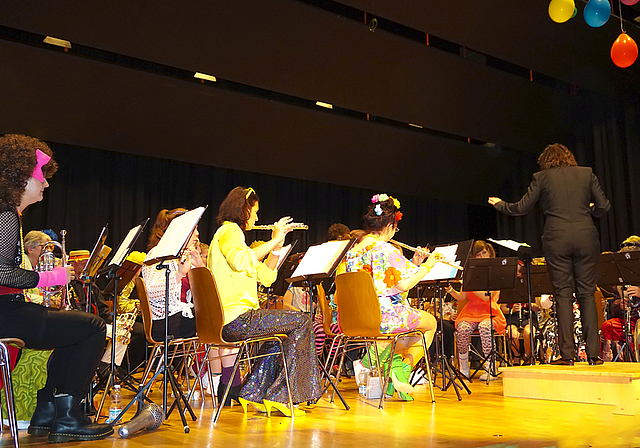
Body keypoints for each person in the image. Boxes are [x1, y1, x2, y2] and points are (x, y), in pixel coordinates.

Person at [0, 134, 112, 442]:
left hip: (7, 309)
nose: (46, 185)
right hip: (4, 313)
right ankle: (66, 416)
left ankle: (48, 412)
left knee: (72, 330)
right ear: (23, 177)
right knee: (92, 327)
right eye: (42, 178)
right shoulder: (6, 214)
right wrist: (53, 277)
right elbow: (3, 272)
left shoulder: (7, 214)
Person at [489, 143, 611, 365]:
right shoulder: (587, 173)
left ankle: (567, 355)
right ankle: (593, 354)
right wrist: (589, 210)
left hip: (557, 239)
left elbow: (522, 208)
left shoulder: (541, 177)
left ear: (546, 161)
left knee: (563, 294)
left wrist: (500, 205)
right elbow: (604, 206)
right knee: (586, 294)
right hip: (586, 237)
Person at [208, 186, 321, 417]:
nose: (257, 217)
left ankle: (253, 393)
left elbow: (267, 278)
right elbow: (240, 261)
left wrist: (276, 248)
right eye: (255, 211)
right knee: (302, 322)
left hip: (235, 319)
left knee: (282, 333)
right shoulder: (230, 231)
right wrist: (274, 240)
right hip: (236, 319)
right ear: (244, 209)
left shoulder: (234, 239)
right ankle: (281, 396)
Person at [340, 193, 440, 400]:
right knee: (430, 323)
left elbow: (385, 283)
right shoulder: (385, 249)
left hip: (358, 318)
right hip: (383, 317)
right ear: (390, 225)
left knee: (409, 330)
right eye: (396, 227)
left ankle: (388, 371)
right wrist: (427, 267)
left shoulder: (352, 252)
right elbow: (403, 285)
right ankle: (402, 370)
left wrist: (414, 262)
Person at [141, 208, 204, 342]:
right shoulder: (157, 254)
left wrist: (200, 267)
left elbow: (206, 295)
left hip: (180, 319)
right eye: (194, 229)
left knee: (216, 319)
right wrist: (179, 274)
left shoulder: (186, 255)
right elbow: (152, 291)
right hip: (165, 322)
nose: (197, 234)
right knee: (215, 324)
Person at [446, 240, 506, 381]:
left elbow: (488, 298)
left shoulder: (495, 272)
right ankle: (464, 367)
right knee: (462, 328)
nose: (480, 257)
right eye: (477, 254)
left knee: (485, 327)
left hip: (489, 311)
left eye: (483, 253)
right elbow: (462, 297)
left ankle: (490, 367)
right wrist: (450, 290)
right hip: (471, 312)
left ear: (490, 253)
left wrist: (470, 285)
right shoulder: (470, 272)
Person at [601, 236, 640, 361]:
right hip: (629, 320)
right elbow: (613, 307)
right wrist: (619, 305)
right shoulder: (622, 278)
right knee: (608, 325)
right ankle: (615, 363)